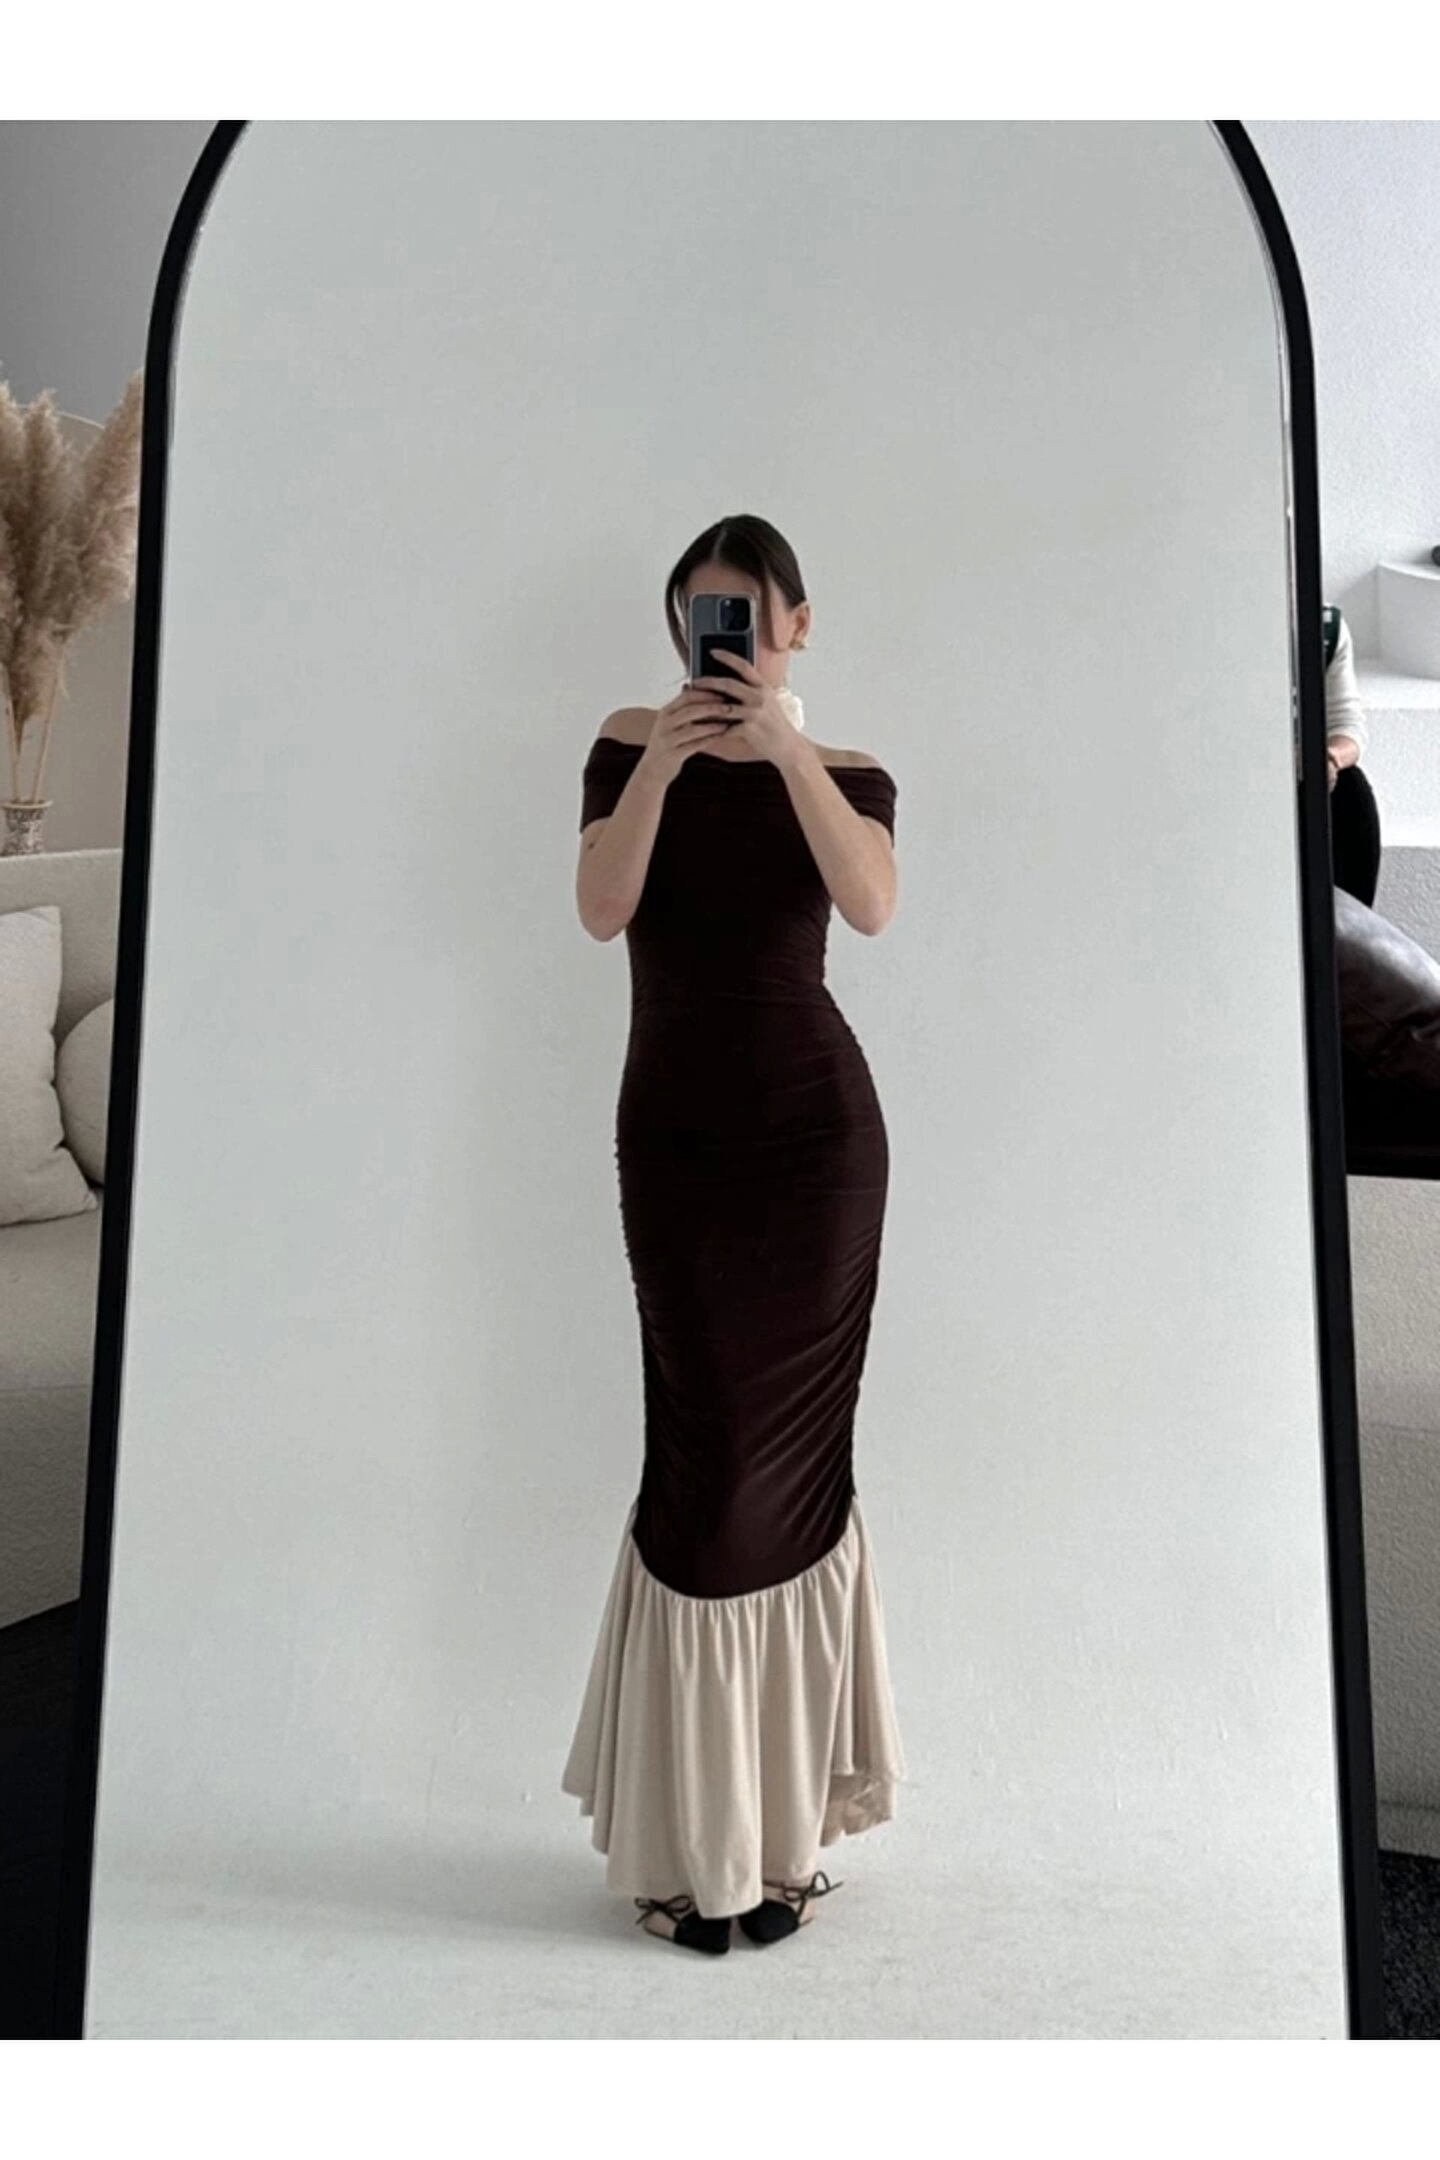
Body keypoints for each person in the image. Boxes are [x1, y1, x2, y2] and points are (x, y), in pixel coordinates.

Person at [561, 514, 907, 1955]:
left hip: (818, 1153)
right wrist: (665, 759)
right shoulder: (624, 745)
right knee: (701, 1472)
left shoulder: (849, 774)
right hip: (679, 1149)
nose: (724, 645)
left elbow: (872, 906)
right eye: (700, 621)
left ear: (797, 627)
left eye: (747, 620)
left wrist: (782, 753)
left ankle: (776, 1848)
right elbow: (602, 909)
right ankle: (688, 1847)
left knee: (793, 1481)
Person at [1323, 604, 1380, 907]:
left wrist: (1330, 759)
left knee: (1350, 788)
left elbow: (1347, 726)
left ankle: (1343, 924)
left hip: (1297, 778)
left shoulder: (1324, 625)